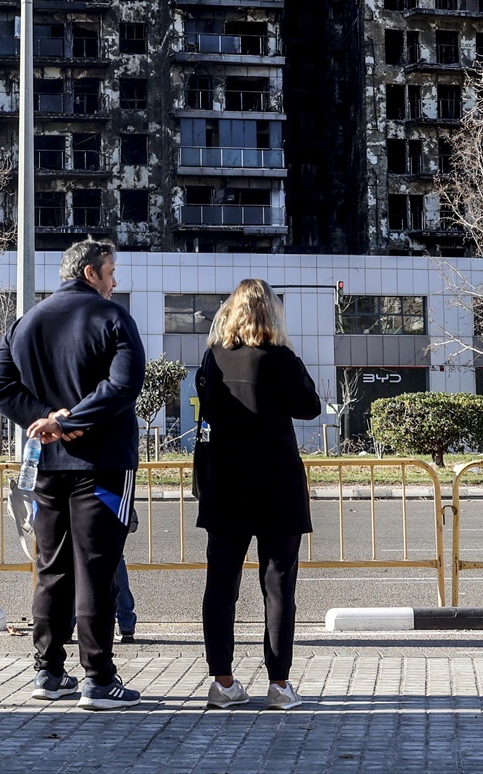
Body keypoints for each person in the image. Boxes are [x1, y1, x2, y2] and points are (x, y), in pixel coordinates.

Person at [0, 238, 145, 711]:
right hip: (104, 466)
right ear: (91, 272)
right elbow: (124, 385)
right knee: (97, 570)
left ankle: (49, 671)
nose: (115, 281)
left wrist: (49, 419)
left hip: (47, 468)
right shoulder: (112, 319)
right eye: (111, 271)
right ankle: (99, 679)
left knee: (51, 569)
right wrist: (70, 420)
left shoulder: (25, 322)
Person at [193, 278, 321, 711]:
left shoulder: (213, 359)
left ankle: (223, 681)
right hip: (276, 485)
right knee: (279, 585)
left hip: (226, 484)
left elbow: (208, 409)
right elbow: (309, 406)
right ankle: (280, 685)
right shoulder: (281, 359)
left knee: (220, 583)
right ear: (271, 315)